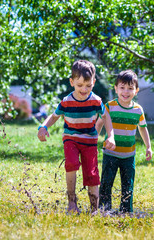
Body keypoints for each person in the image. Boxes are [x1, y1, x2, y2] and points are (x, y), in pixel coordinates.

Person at [37, 60, 116, 214]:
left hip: (90, 141)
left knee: (92, 173)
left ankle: (95, 208)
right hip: (71, 138)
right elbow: (54, 116)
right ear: (72, 82)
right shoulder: (66, 101)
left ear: (93, 82)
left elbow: (106, 117)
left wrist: (110, 136)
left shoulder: (96, 101)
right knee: (72, 164)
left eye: (88, 85)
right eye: (79, 85)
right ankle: (72, 203)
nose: (84, 89)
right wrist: (43, 127)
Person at [96, 69, 152, 214]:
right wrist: (92, 139)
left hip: (129, 155)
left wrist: (148, 147)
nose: (125, 92)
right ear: (115, 88)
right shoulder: (109, 106)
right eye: (122, 88)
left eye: (130, 88)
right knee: (106, 183)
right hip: (110, 153)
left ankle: (126, 211)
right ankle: (104, 209)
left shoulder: (138, 110)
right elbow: (99, 124)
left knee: (128, 185)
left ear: (136, 90)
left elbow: (143, 129)